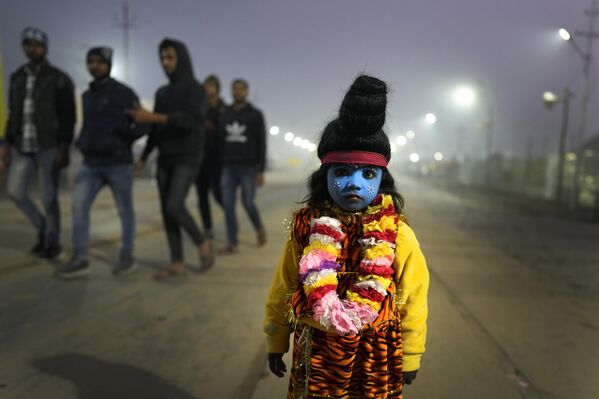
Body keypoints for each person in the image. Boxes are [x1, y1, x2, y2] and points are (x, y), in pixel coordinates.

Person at [263, 75, 429, 398]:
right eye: (341, 172)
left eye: (367, 174)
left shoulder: (398, 236)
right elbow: (283, 286)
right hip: (318, 352)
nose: (354, 183)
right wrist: (276, 337)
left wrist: (411, 352)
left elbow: (413, 297)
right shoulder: (305, 231)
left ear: (382, 178)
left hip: (376, 357)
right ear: (324, 176)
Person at [56, 47, 148, 279]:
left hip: (118, 164)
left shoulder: (123, 93)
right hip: (91, 164)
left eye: (100, 62)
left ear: (109, 65)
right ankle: (80, 258)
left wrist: (122, 138)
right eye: (91, 61)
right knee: (78, 207)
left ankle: (127, 255)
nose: (95, 66)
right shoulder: (87, 95)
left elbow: (144, 123)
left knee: (125, 211)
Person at [130, 38, 213, 278]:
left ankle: (201, 241)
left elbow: (190, 121)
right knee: (166, 212)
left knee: (174, 205)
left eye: (170, 57)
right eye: (162, 58)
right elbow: (155, 132)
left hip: (188, 156)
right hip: (164, 157)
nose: (165, 63)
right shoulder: (162, 93)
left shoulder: (196, 90)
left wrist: (154, 118)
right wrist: (143, 157)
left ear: (181, 58)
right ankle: (176, 260)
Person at [0, 27, 75, 260]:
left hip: (48, 146)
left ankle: (52, 242)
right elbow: (13, 112)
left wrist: (64, 147)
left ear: (45, 48)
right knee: (14, 191)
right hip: (23, 145)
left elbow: (67, 116)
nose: (31, 48)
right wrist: (6, 144)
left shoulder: (59, 78)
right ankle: (44, 229)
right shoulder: (17, 77)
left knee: (48, 196)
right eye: (27, 44)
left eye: (36, 45)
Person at [218, 78, 267, 253]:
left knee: (247, 202)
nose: (237, 92)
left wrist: (260, 169)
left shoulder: (255, 114)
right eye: (234, 89)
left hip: (248, 167)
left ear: (246, 92)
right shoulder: (225, 114)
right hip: (228, 166)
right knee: (228, 205)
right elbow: (220, 140)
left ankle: (259, 227)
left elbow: (262, 142)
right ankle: (233, 242)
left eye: (241, 89)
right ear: (231, 92)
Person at [194, 74, 226, 238]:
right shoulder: (199, 106)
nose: (208, 89)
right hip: (199, 158)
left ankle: (230, 219)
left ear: (217, 89)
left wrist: (215, 126)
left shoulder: (223, 108)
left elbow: (227, 129)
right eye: (206, 86)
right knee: (201, 196)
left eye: (211, 86)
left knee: (217, 193)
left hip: (216, 158)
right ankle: (207, 228)